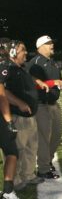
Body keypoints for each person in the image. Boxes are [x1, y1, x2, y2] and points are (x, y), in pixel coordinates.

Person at [5, 40, 44, 191]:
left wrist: (38, 81)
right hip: (17, 116)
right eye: (23, 50)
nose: (26, 53)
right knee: (18, 150)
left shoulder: (20, 68)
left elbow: (26, 81)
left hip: (29, 116)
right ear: (13, 53)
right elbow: (4, 92)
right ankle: (15, 180)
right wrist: (19, 102)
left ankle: (28, 175)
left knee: (31, 147)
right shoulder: (7, 68)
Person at [27, 35, 62, 179]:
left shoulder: (53, 63)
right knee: (43, 138)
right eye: (48, 43)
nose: (52, 45)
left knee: (57, 135)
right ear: (40, 47)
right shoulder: (35, 63)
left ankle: (47, 161)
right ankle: (43, 169)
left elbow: (57, 81)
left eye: (52, 43)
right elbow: (32, 84)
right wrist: (53, 83)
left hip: (54, 103)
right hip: (41, 105)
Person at [0, 38, 19, 199]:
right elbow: (2, 96)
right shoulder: (3, 65)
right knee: (12, 152)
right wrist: (9, 121)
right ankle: (7, 190)